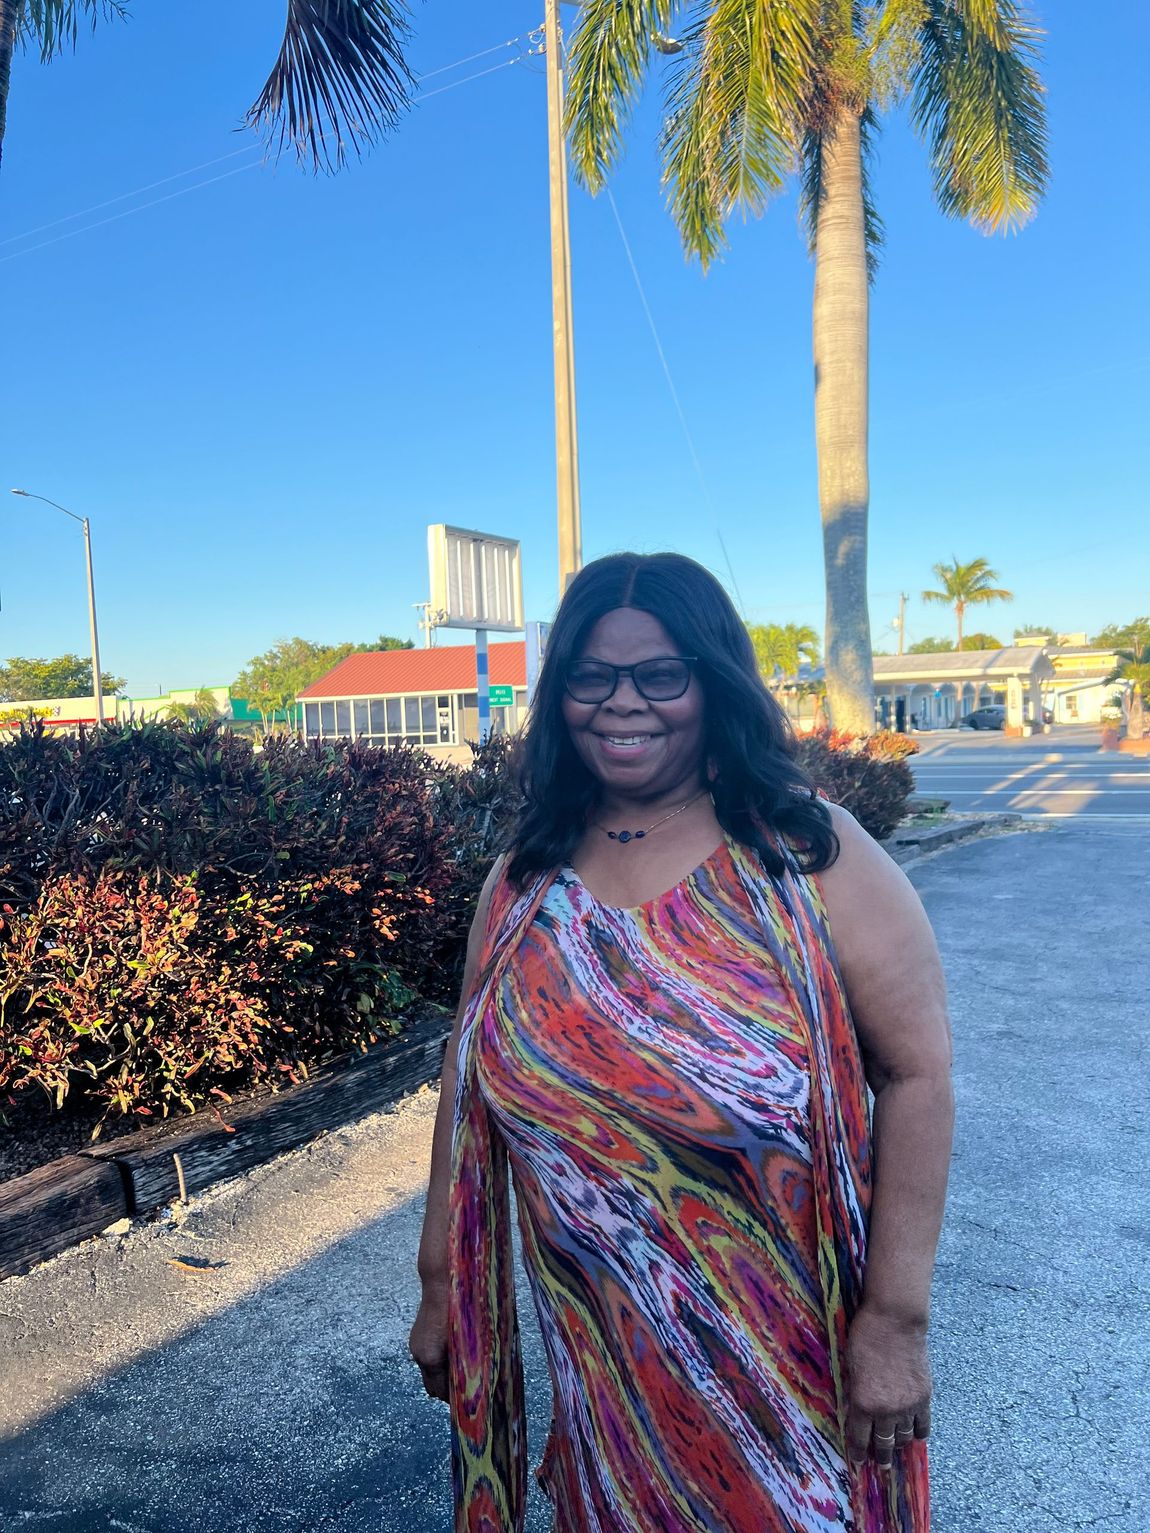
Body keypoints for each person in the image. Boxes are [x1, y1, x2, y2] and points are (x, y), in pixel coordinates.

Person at [410, 552, 954, 1533]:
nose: (623, 702)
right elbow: (467, 1075)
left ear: (714, 682)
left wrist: (895, 1319)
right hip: (603, 1378)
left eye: (660, 674)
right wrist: (442, 1278)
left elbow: (916, 1074)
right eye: (591, 675)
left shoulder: (810, 857)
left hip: (790, 1382)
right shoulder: (524, 880)